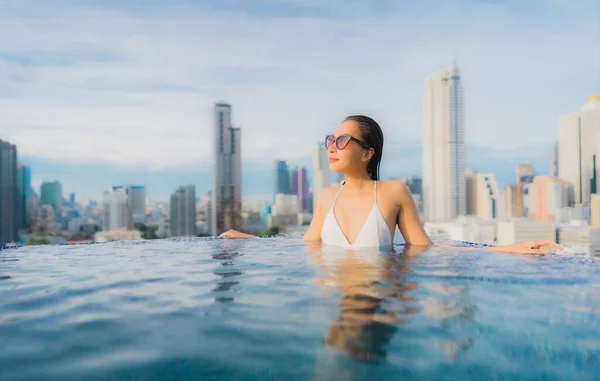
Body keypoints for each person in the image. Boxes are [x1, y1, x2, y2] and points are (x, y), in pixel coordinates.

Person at [221, 115, 561, 255]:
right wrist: (247, 241)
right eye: (330, 140)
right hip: (335, 307)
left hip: (382, 306)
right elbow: (305, 246)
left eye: (342, 140)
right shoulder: (326, 197)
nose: (332, 147)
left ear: (368, 153)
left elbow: (424, 248)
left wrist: (505, 250)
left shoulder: (393, 192)